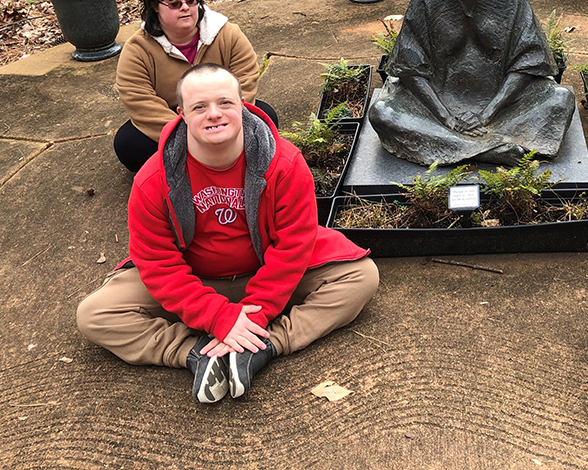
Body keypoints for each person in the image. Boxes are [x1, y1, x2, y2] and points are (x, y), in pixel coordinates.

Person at [78, 63, 379, 403]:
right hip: (195, 278)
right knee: (95, 315)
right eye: (199, 107)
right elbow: (157, 261)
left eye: (224, 103)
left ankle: (262, 346)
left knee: (361, 277)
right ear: (181, 114)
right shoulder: (153, 179)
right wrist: (217, 317)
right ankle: (196, 352)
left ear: (243, 103)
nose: (214, 114)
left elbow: (293, 246)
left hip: (267, 270)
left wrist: (256, 313)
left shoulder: (285, 164)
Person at [369, 0, 575, 166]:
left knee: (561, 99)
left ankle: (461, 146)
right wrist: (447, 119)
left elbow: (528, 60)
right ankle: (488, 151)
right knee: (383, 113)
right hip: (440, 106)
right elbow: (411, 70)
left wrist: (488, 115)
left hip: (502, 105)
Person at [113, 0, 277, 173]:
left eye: (191, 1)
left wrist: (222, 121)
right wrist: (190, 133)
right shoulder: (138, 49)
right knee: (129, 144)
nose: (185, 8)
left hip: (224, 112)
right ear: (155, 6)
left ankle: (221, 163)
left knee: (266, 116)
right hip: (175, 120)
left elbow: (245, 79)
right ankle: (192, 167)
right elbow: (139, 100)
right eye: (174, 3)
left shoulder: (228, 35)